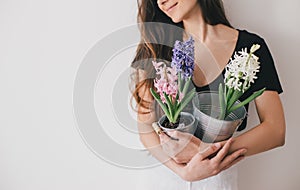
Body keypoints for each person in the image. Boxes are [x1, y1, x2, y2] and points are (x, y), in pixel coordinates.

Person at [130, 0, 286, 189]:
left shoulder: (250, 49)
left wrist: (206, 151)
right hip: (164, 177)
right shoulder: (157, 46)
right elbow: (145, 128)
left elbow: (275, 130)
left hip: (217, 177)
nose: (161, 1)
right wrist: (183, 171)